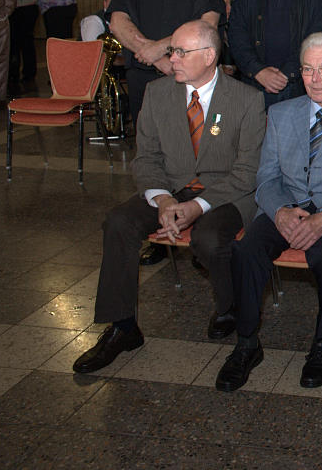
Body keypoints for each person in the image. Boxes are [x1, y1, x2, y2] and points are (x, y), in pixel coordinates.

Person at [72, 21, 266, 374]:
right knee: (118, 222)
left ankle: (230, 308)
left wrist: (197, 207)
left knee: (209, 238)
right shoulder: (157, 93)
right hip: (171, 187)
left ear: (209, 56)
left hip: (226, 192)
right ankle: (122, 327)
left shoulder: (247, 99)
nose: (171, 58)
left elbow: (247, 171)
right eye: (171, 50)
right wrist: (162, 199)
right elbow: (146, 158)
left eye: (180, 52)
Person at [216, 32, 322, 392]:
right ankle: (246, 343)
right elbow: (266, 177)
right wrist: (279, 211)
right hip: (287, 205)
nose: (315, 78)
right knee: (246, 251)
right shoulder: (281, 113)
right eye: (308, 69)